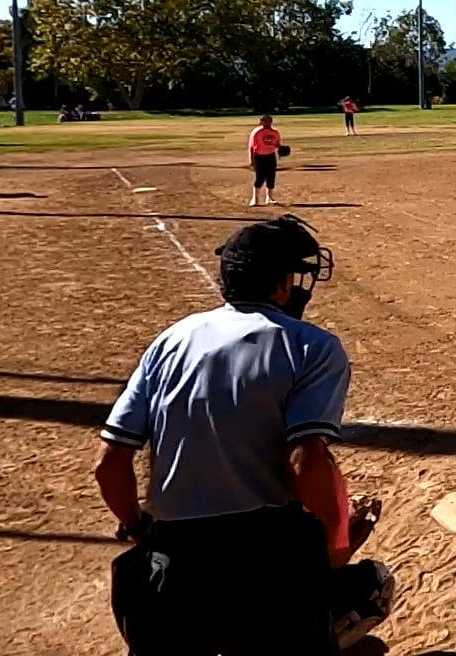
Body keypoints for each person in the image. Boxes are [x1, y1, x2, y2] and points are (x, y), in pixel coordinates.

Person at [97, 217, 395, 653]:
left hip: (172, 567)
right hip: (268, 562)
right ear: (282, 283)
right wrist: (333, 542)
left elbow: (110, 464)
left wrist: (136, 525)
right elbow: (305, 459)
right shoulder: (310, 345)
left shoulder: (169, 342)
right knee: (369, 586)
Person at [248, 115, 286, 208]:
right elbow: (252, 147)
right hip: (259, 156)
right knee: (260, 177)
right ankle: (255, 198)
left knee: (271, 177)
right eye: (265, 121)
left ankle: (269, 197)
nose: (267, 122)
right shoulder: (257, 132)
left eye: (269, 121)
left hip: (270, 156)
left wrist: (281, 148)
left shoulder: (275, 132)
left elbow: (276, 144)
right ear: (261, 122)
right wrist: (252, 160)